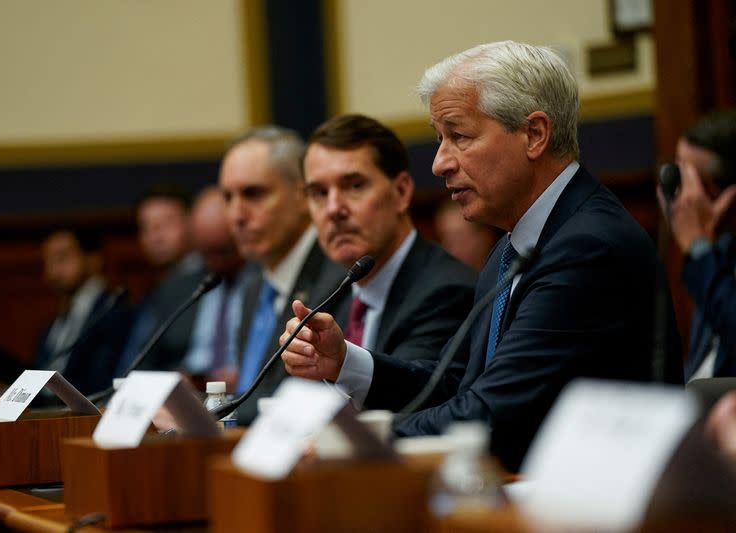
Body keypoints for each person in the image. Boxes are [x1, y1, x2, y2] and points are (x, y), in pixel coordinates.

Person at [281, 40, 683, 471]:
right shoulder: (513, 245)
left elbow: (490, 414)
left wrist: (362, 442)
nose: (439, 163)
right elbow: (455, 384)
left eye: (458, 136)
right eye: (440, 139)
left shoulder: (587, 246)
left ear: (534, 134)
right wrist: (347, 362)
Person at [302, 113, 476, 363]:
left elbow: (412, 396)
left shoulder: (447, 292)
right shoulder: (331, 292)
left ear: (402, 191)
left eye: (354, 186)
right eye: (319, 193)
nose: (333, 209)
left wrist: (341, 363)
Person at [219, 126, 346, 423]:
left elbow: (293, 399)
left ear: (303, 195)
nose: (237, 215)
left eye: (253, 194)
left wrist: (208, 414)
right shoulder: (253, 285)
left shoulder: (338, 277)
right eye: (228, 197)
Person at [657, 109, 736, 381]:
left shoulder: (707, 259)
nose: (683, 197)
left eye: (694, 182)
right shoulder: (720, 250)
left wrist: (698, 247)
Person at [115, 184, 203, 376]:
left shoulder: (208, 282)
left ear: (192, 222)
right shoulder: (154, 287)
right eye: (147, 227)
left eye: (166, 223)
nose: (155, 236)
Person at [178, 186, 258, 391]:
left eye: (223, 251)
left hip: (243, 391)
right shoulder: (182, 281)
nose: (216, 263)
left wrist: (246, 376)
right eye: (207, 253)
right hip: (191, 392)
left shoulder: (264, 279)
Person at [35, 227, 130, 395]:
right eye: (48, 261)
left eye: (62, 258)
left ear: (93, 259)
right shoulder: (53, 323)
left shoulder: (114, 312)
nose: (53, 272)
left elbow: (103, 380)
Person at [434, 198, 502, 272]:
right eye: (443, 238)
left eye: (458, 239)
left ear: (485, 237)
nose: (448, 248)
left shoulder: (507, 276)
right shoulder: (441, 277)